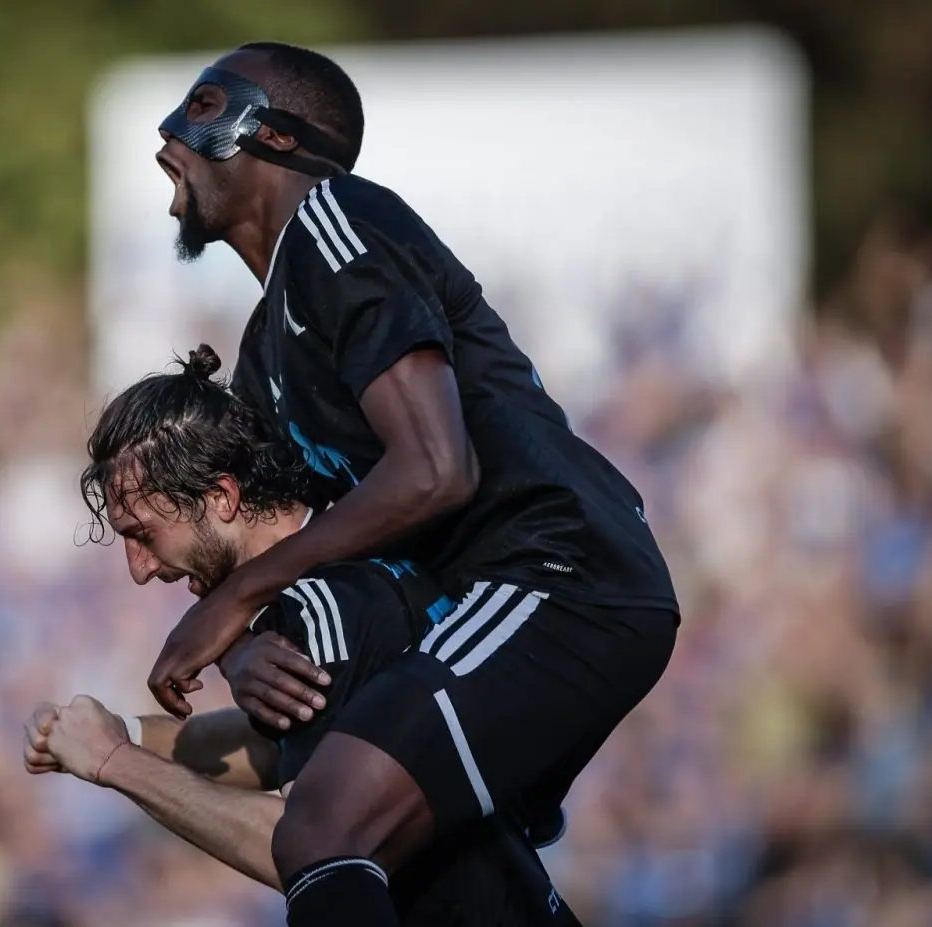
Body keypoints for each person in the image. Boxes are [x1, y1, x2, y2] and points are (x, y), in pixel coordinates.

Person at [146, 42, 680, 926]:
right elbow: (272, 538)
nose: (168, 134)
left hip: (558, 571)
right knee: (438, 877)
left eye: (203, 106)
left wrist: (238, 598)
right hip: (485, 596)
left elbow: (435, 469)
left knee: (325, 824)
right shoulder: (264, 349)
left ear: (275, 135)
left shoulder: (335, 219)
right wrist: (238, 647)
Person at [25, 348, 574, 924]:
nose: (138, 570)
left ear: (222, 497)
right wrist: (127, 734)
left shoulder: (319, 612)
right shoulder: (360, 557)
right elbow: (293, 745)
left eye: (143, 535)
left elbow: (315, 850)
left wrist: (114, 762)